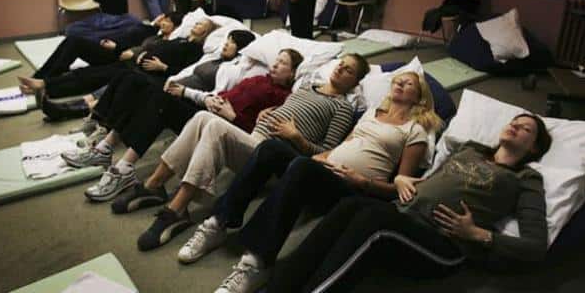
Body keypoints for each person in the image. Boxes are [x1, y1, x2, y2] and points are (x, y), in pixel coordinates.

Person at [183, 72, 443, 293]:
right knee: (271, 148)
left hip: (354, 189)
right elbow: (343, 147)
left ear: (419, 96)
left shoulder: (416, 130)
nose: (400, 83)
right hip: (325, 171)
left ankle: (257, 262)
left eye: (408, 83)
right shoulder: (372, 114)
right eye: (397, 80)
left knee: (302, 166)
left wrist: (363, 181)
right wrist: (320, 158)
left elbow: (400, 187)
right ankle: (219, 222)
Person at [265, 114, 552, 293]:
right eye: (514, 121)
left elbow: (536, 247)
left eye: (526, 128)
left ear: (534, 147)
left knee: (375, 221)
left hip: (443, 245)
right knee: (352, 205)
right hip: (402, 213)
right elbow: (427, 184)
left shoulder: (525, 179)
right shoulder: (470, 151)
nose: (515, 125)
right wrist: (401, 180)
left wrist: (478, 234)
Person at [131, 54, 370, 252]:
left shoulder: (342, 107)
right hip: (254, 138)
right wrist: (263, 115)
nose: (341, 69)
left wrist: (296, 137)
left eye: (348, 70)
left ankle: (176, 210)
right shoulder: (307, 87)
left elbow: (327, 153)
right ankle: (155, 184)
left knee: (213, 126)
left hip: (275, 158)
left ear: (355, 82)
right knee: (202, 116)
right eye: (341, 64)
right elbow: (285, 111)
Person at [66, 33, 288, 203]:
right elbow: (219, 94)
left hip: (222, 124)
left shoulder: (282, 97)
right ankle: (105, 148)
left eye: (282, 63)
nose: (275, 65)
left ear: (294, 73)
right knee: (136, 82)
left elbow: (255, 135)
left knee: (160, 102)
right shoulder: (255, 78)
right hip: (205, 107)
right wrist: (203, 96)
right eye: (275, 61)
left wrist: (231, 116)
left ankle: (124, 168)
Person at [17, 18, 216, 100]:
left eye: (201, 25)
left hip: (137, 69)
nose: (195, 25)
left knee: (90, 74)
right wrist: (125, 50)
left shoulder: (194, 50)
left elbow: (184, 72)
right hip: (126, 58)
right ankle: (42, 81)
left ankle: (46, 85)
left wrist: (163, 67)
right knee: (80, 54)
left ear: (206, 33)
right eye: (196, 22)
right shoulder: (177, 39)